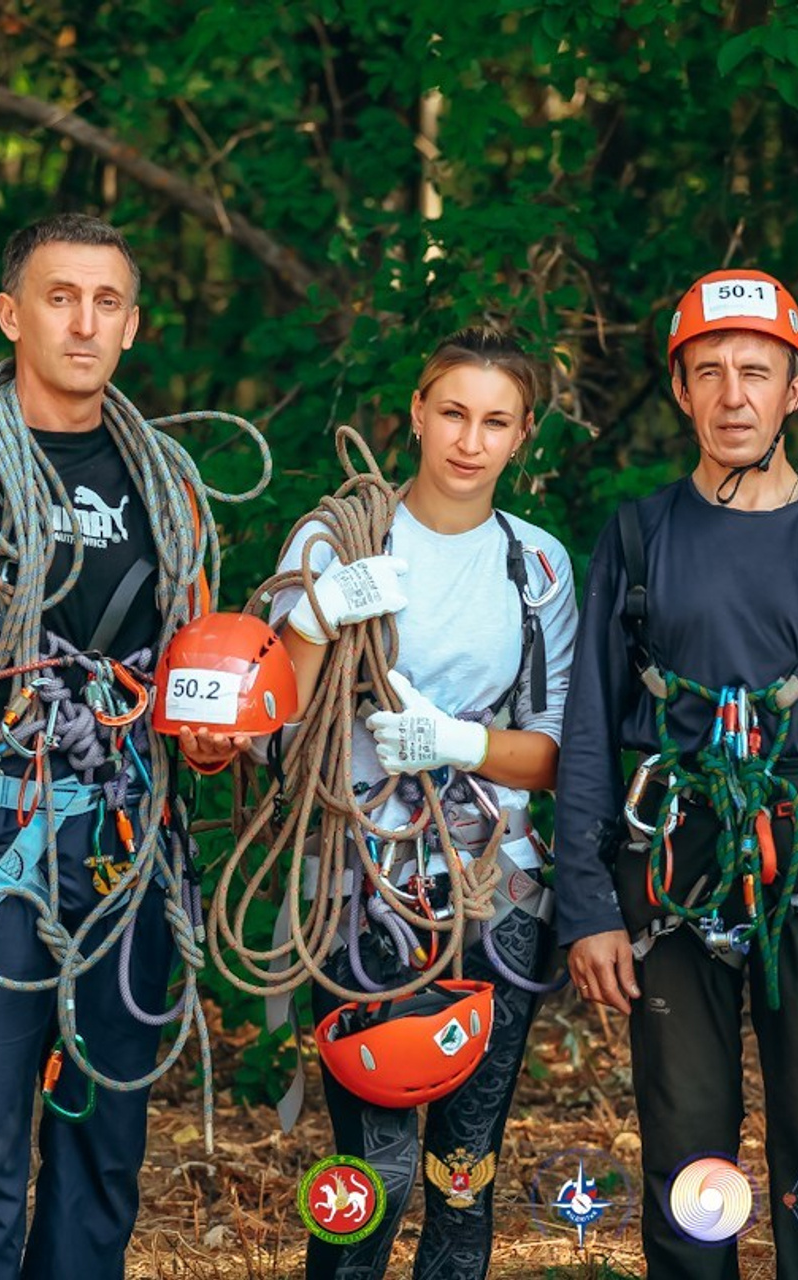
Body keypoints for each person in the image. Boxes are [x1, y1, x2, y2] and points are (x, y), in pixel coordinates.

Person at [554, 269, 798, 1279]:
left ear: (793, 388)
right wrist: (584, 902)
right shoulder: (638, 535)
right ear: (680, 389)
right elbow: (590, 727)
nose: (732, 395)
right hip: (673, 855)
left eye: (755, 371)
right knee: (686, 1132)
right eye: (709, 371)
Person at [195, 327, 578, 1278]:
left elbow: (561, 755)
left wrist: (456, 743)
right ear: (415, 412)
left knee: (461, 1173)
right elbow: (275, 724)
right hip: (357, 888)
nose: (468, 440)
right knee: (373, 1165)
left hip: (494, 896)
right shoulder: (336, 539)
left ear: (523, 436)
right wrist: (323, 615)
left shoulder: (537, 568)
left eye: (496, 421)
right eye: (452, 412)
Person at [0, 214, 243, 1279]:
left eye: (106, 301)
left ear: (131, 324)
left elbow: (193, 677)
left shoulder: (163, 485)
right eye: (59, 295)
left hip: (124, 845)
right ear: (11, 312)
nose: (83, 321)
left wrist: (211, 744)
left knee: (103, 1138)